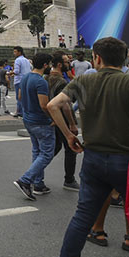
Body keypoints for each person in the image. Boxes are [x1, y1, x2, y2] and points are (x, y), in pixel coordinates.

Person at [48, 37, 129, 257]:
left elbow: (54, 105)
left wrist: (69, 135)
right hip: (127, 161)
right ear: (124, 57)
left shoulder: (84, 80)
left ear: (97, 58)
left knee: (83, 216)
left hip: (94, 158)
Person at [13, 53, 54, 200]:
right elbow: (44, 105)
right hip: (41, 121)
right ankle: (25, 180)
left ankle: (38, 184)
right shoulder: (41, 82)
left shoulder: (25, 78)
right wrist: (53, 117)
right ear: (45, 65)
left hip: (28, 119)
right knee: (47, 153)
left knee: (37, 151)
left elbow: (19, 97)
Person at [46, 52, 80, 191]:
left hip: (52, 118)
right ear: (59, 64)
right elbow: (66, 105)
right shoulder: (61, 82)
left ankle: (35, 173)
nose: (69, 64)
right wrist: (72, 123)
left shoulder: (46, 78)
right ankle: (69, 179)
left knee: (54, 148)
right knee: (70, 148)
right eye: (66, 62)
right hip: (62, 119)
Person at [12, 46, 31, 118]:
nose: (14, 53)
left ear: (19, 52)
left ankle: (20, 112)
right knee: (25, 97)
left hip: (19, 80)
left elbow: (16, 71)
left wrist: (10, 73)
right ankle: (23, 111)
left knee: (19, 97)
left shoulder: (17, 60)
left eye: (15, 52)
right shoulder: (26, 60)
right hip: (27, 80)